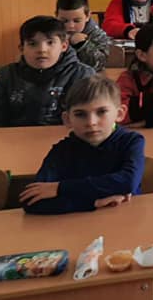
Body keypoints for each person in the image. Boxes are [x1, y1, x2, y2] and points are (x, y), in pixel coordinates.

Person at [21, 75, 144, 215]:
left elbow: (127, 182)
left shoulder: (131, 141)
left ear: (120, 114)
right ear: (67, 119)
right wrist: (94, 203)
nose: (91, 122)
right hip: (76, 225)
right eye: (80, 114)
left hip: (124, 218)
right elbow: (31, 201)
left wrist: (61, 188)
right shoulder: (62, 151)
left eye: (102, 112)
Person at [0, 16, 95, 127]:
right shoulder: (7, 75)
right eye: (33, 44)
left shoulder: (82, 74)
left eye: (50, 42)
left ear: (64, 46)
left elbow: (88, 119)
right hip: (15, 136)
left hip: (66, 135)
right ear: (22, 48)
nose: (42, 50)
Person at [56, 0, 111, 71]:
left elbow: (99, 64)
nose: (70, 26)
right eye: (64, 21)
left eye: (76, 21)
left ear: (87, 16)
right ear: (56, 16)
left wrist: (82, 44)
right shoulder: (51, 34)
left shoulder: (97, 35)